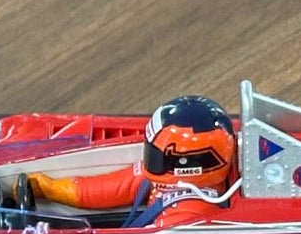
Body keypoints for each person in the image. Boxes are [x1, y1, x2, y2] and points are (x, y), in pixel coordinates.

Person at [27, 96, 237, 227]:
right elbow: (106, 188)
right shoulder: (166, 180)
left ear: (187, 164)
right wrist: (51, 189)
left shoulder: (187, 218)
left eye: (157, 156)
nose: (151, 160)